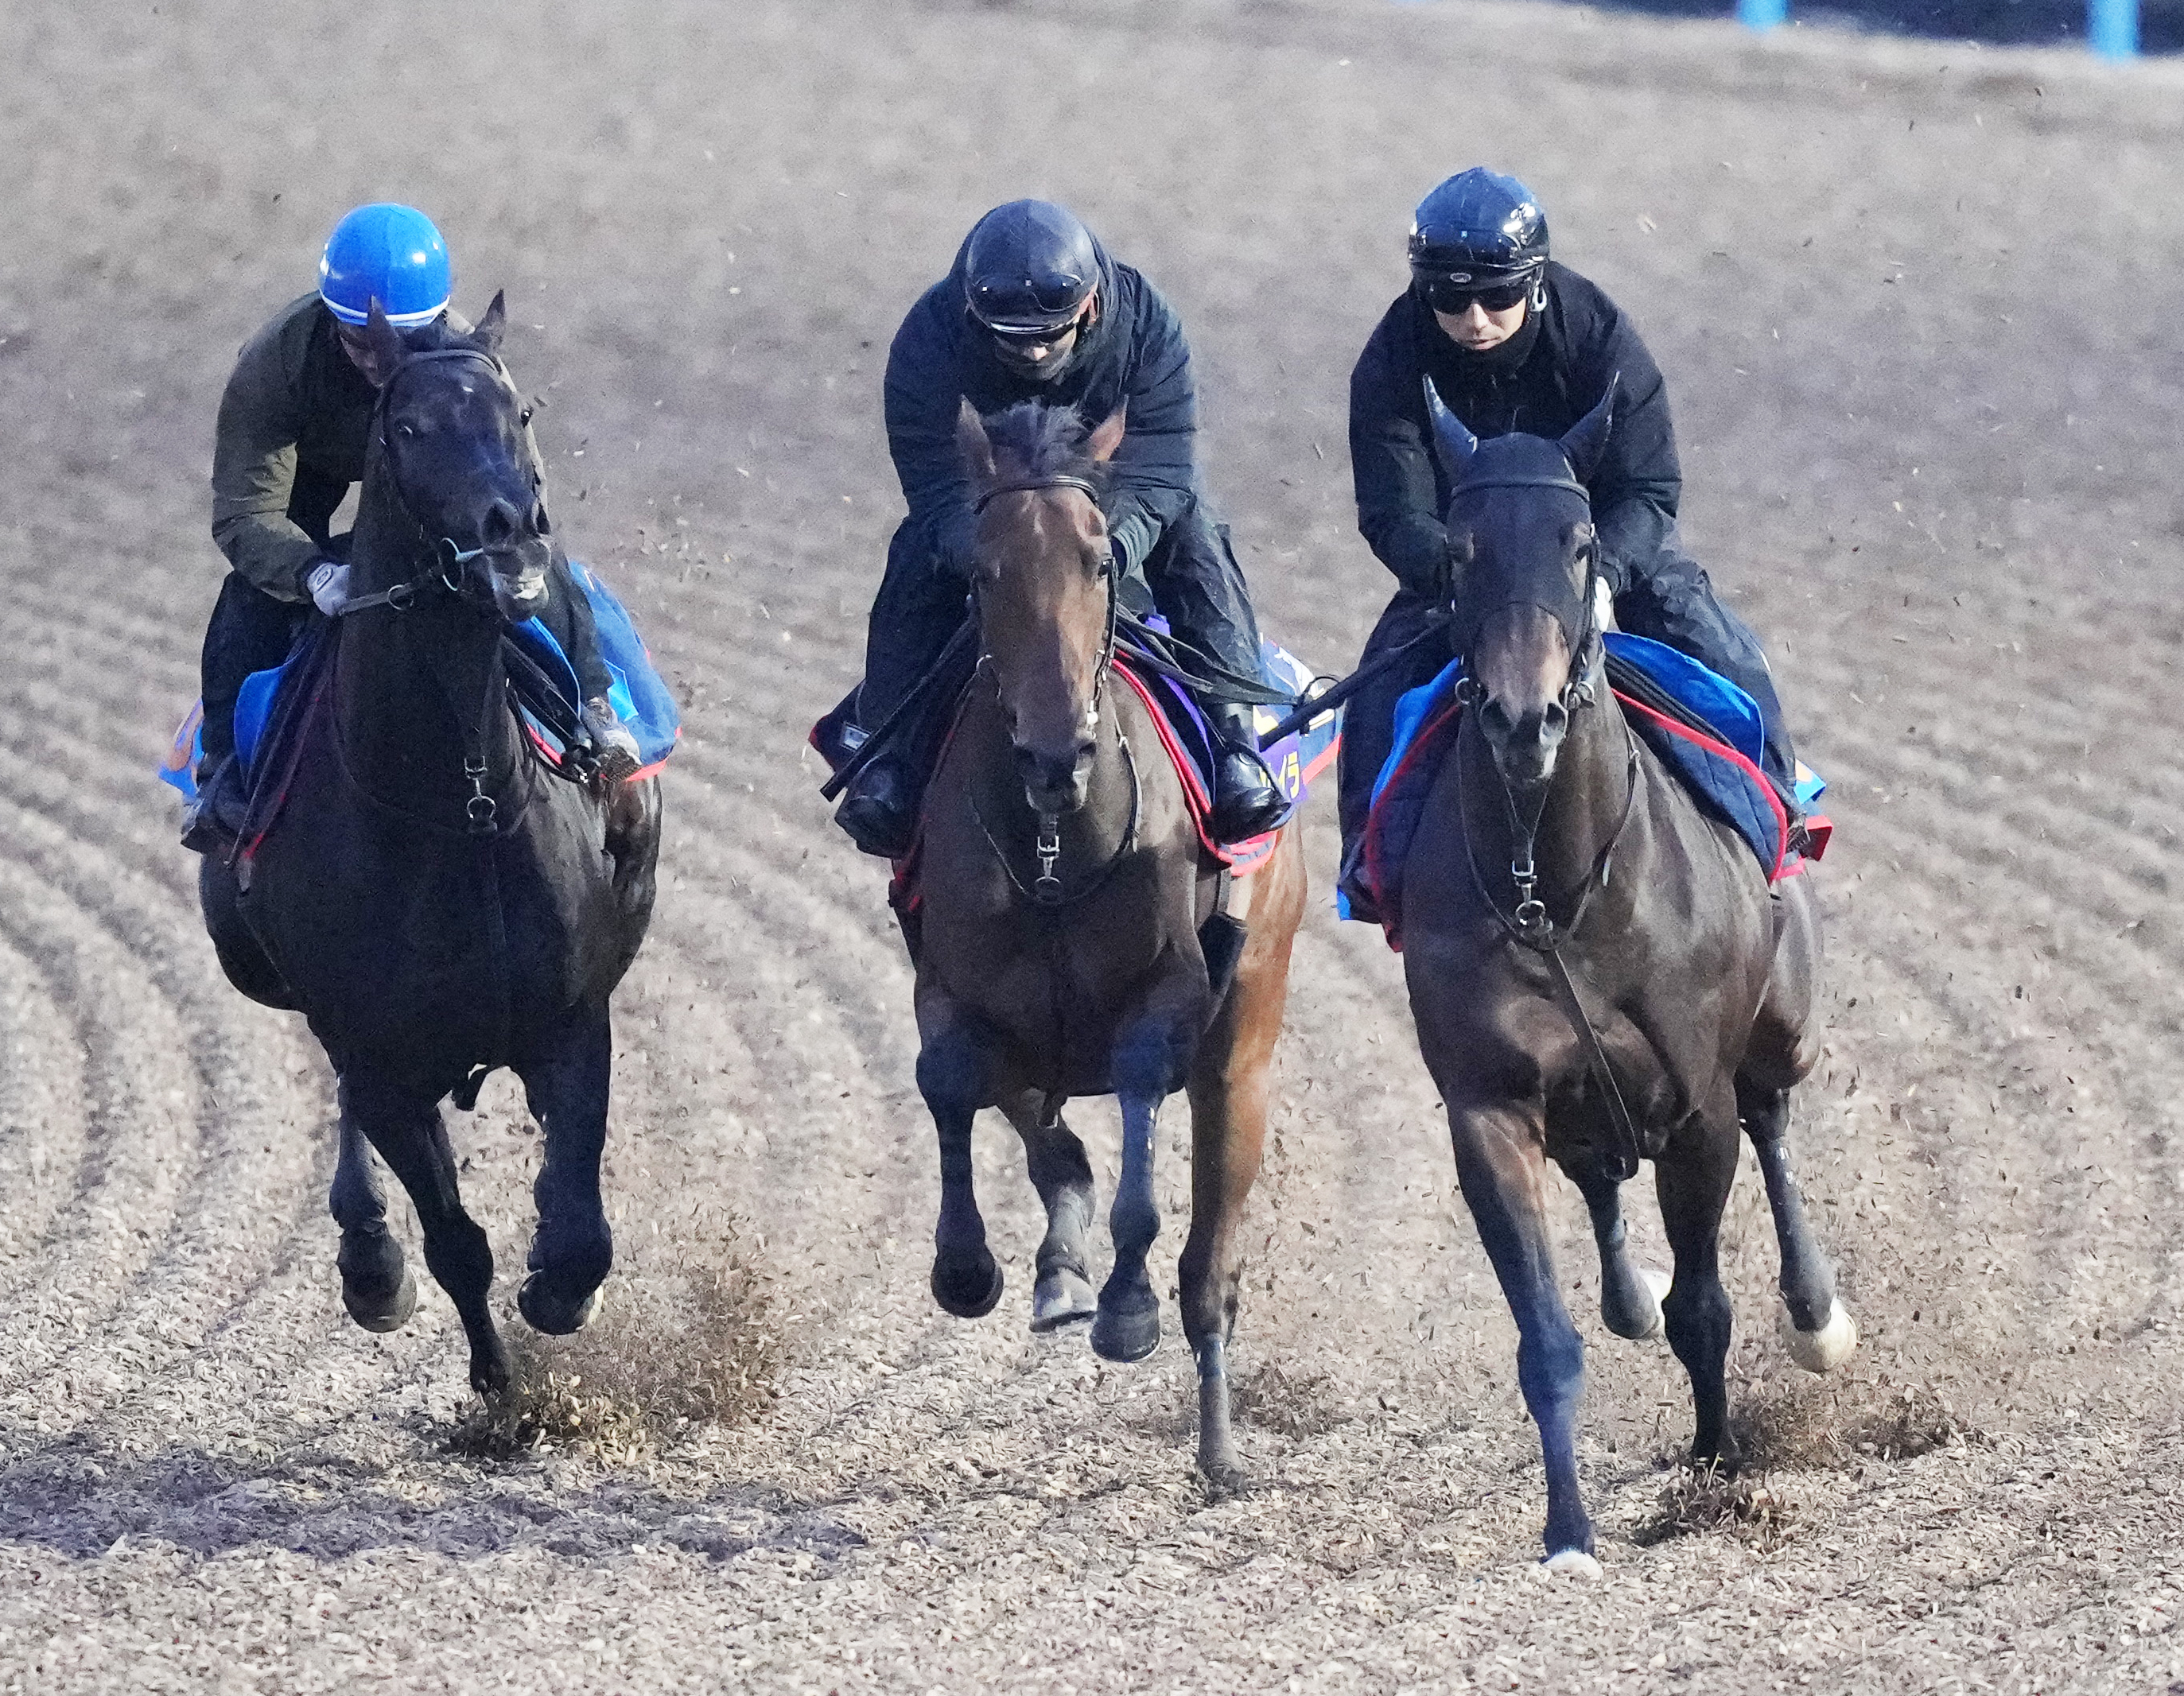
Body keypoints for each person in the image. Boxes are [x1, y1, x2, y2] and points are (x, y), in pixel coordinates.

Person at [1337, 167, 1803, 919]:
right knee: (1374, 692)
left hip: (1596, 556)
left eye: (1497, 296)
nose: (1474, 319)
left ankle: (1778, 812)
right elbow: (1393, 510)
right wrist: (1455, 572)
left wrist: (1604, 577)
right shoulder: (1394, 353)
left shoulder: (1600, 338)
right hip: (1472, 569)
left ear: (1538, 281)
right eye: (1450, 299)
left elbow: (1648, 490)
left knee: (1721, 647)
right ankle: (1369, 854)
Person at [831, 198, 1287, 858]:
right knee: (914, 555)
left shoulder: (1149, 326)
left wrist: (1106, 552)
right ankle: (887, 763)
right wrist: (989, 553)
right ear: (973, 316)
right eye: (1012, 341)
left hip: (1113, 514)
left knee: (1198, 531)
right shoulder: (928, 340)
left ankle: (1236, 749)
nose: (1036, 350)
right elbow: (934, 488)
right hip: (995, 517)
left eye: (1051, 334)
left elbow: (1163, 471)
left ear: (1091, 307)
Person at [183, 202, 633, 852]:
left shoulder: (475, 369)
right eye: (359, 340)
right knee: (246, 598)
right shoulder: (277, 364)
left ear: (436, 324)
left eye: (401, 340)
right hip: (312, 471)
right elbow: (245, 513)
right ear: (330, 317)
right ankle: (221, 774)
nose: (376, 359)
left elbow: (528, 497)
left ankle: (597, 708)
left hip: (434, 468)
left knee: (533, 560)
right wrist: (312, 572)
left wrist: (508, 555)